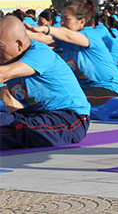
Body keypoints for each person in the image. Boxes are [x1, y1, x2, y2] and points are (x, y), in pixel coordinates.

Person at [0, 16, 90, 150]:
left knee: (19, 131)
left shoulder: (40, 53)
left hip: (69, 118)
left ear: (19, 44)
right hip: (33, 114)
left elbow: (3, 74)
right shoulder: (7, 58)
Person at [25, 0, 118, 106]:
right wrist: (17, 30)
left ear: (81, 22)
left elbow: (67, 35)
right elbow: (41, 38)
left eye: (66, 19)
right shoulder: (66, 39)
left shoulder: (90, 34)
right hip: (84, 88)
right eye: (61, 18)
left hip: (108, 89)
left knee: (62, 101)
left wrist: (47, 29)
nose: (61, 23)